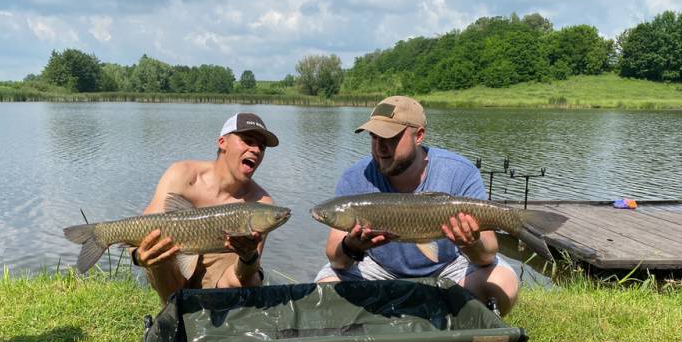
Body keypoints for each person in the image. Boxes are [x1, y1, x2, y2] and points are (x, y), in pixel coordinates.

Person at [315, 96, 520, 315]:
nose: (380, 147)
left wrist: (469, 243)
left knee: (503, 282)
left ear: (419, 135)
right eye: (374, 137)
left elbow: (487, 255)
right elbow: (336, 259)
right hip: (379, 271)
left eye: (390, 138)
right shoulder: (355, 177)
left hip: (448, 268)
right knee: (326, 285)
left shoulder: (460, 172)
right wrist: (352, 247)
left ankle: (463, 335)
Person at [131, 112, 279, 306]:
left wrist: (248, 258)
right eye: (248, 141)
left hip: (222, 273)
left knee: (250, 276)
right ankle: (175, 310)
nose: (256, 150)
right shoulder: (183, 174)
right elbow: (142, 232)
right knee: (159, 251)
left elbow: (243, 278)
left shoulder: (260, 204)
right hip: (174, 260)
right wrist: (137, 256)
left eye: (261, 146)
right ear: (222, 142)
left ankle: (211, 311)